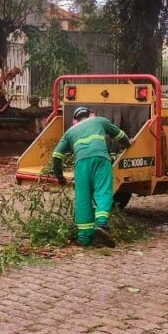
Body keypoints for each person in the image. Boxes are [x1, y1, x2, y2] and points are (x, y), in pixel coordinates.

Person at [51, 106, 130, 247]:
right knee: (103, 191)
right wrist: (128, 145)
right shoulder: (100, 121)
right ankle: (101, 225)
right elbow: (121, 136)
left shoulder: (70, 131)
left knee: (83, 199)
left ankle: (84, 238)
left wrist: (60, 177)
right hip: (101, 159)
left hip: (81, 165)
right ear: (92, 114)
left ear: (74, 121)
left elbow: (56, 155)